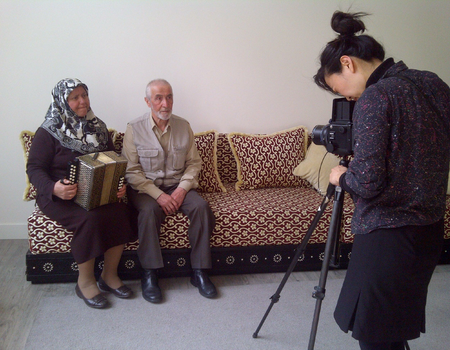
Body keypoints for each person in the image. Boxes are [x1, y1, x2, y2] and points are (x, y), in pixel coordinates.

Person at [314, 11, 450, 350]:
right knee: (394, 324)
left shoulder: (376, 97)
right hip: (430, 228)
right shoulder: (432, 82)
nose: (346, 98)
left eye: (338, 88)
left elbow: (369, 182)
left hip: (387, 235)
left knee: (375, 334)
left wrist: (343, 176)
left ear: (348, 63)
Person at [27, 78, 136, 309]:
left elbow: (113, 160)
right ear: (62, 102)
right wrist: (54, 188)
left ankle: (109, 276)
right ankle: (85, 282)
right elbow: (34, 168)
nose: (82, 101)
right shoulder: (48, 132)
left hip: (95, 193)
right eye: (74, 98)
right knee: (89, 219)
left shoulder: (98, 127)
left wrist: (119, 184)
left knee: (120, 211)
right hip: (60, 196)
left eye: (84, 95)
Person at [122, 79, 217, 303]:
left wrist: (182, 189)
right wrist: (159, 196)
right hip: (145, 188)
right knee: (148, 212)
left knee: (201, 207)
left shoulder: (184, 126)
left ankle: (200, 271)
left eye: (169, 97)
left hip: (177, 184)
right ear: (148, 101)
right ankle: (149, 273)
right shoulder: (134, 128)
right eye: (158, 98)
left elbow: (194, 163)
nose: (165, 103)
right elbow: (132, 171)